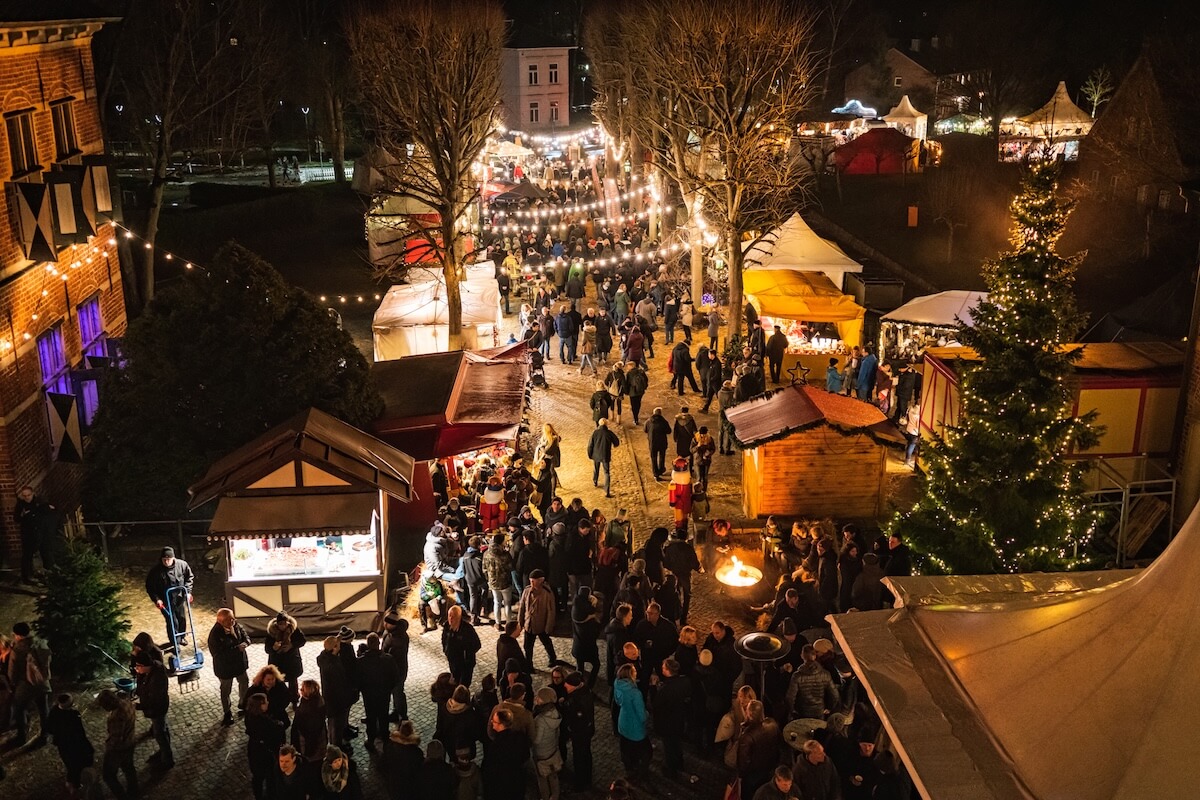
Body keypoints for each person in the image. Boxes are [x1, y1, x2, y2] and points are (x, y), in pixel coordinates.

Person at [144, 546, 194, 652]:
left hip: (180, 598)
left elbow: (189, 578)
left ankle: (182, 636)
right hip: (165, 600)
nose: (166, 562)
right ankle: (174, 642)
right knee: (172, 621)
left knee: (181, 618)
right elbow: (150, 587)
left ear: (173, 558)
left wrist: (188, 592)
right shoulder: (155, 572)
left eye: (168, 559)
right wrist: (157, 599)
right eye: (164, 560)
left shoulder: (182, 565)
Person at [358, 632, 400, 752]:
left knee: (371, 716)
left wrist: (363, 689)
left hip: (368, 695)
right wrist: (388, 688)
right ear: (378, 644)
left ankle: (371, 739)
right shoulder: (388, 659)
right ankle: (385, 738)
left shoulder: (361, 662)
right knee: (383, 715)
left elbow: (358, 679)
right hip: (383, 694)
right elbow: (395, 677)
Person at [209, 607, 252, 726]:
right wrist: (236, 649)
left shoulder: (236, 625)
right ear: (221, 621)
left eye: (233, 618)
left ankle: (243, 703)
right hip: (225, 668)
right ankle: (227, 713)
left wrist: (245, 643)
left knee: (244, 682)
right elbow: (217, 654)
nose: (233, 621)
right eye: (229, 620)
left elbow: (246, 636)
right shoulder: (215, 634)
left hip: (239, 664)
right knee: (225, 689)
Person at [45, 693, 94, 792]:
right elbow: (80, 732)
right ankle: (74, 783)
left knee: (68, 761)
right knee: (76, 764)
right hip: (74, 744)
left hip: (62, 743)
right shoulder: (74, 715)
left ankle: (71, 780)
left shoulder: (54, 711)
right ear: (69, 704)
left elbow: (49, 728)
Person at [133, 650, 174, 768]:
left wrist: (138, 706)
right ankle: (164, 753)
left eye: (138, 666)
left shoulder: (157, 677)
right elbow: (143, 687)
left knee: (160, 733)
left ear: (144, 666)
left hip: (158, 709)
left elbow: (154, 700)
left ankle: (167, 760)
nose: (136, 668)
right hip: (156, 708)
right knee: (163, 729)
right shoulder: (149, 672)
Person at [652, 657, 690, 779]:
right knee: (677, 744)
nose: (661, 669)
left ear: (668, 671)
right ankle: (679, 764)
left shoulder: (665, 689)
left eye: (663, 668)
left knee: (669, 747)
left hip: (667, 723)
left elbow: (656, 705)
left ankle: (671, 770)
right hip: (679, 719)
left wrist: (653, 688)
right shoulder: (684, 682)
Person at [97, 689, 137, 800]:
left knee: (108, 776)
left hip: (119, 749)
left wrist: (109, 749)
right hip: (130, 741)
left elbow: (116, 738)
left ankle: (123, 797)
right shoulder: (126, 702)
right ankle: (134, 791)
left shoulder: (116, 717)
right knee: (129, 768)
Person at [483, 708, 531, 800]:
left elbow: (490, 769)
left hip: (502, 785)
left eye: (495, 721)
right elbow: (525, 757)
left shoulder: (496, 745)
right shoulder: (520, 736)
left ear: (502, 725)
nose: (492, 722)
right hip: (517, 782)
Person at [246, 692, 287, 800]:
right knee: (270, 777)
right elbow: (275, 736)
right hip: (265, 754)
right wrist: (279, 725)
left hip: (254, 751)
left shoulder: (250, 716)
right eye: (265, 702)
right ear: (260, 705)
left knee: (257, 777)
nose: (268, 703)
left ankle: (258, 795)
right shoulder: (266, 723)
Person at [612, 663, 650, 779]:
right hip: (635, 728)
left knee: (626, 749)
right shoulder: (635, 693)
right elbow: (641, 715)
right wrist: (647, 714)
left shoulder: (617, 685)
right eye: (634, 671)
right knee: (646, 752)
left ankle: (629, 769)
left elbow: (618, 702)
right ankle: (641, 774)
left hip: (623, 722)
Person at [736, 700, 779, 798]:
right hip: (768, 769)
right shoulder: (772, 724)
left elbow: (743, 760)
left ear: (749, 714)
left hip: (752, 775)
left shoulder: (747, 736)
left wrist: (741, 775)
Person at [14, 485, 57, 582]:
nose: (27, 498)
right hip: (28, 534)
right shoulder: (20, 505)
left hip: (40, 532)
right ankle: (27, 576)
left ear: (32, 494)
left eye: (28, 495)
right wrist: (22, 515)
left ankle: (49, 574)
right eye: (24, 496)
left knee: (45, 552)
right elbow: (16, 519)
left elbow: (48, 511)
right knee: (27, 555)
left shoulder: (38, 502)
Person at [317, 637, 353, 750]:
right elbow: (339, 686)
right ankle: (336, 749)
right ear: (335, 648)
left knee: (334, 725)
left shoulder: (324, 658)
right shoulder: (333, 665)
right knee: (336, 727)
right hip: (336, 702)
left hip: (330, 699)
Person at [518, 569, 559, 668]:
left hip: (541, 625)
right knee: (527, 647)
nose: (531, 583)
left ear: (541, 580)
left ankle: (552, 658)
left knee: (547, 643)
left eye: (533, 581)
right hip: (529, 624)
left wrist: (548, 627)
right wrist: (520, 622)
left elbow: (551, 611)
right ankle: (528, 664)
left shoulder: (547, 594)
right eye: (530, 580)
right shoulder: (527, 591)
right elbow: (522, 607)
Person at [662, 530, 703, 625]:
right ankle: (683, 618)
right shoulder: (688, 548)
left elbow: (666, 562)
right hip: (685, 574)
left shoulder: (669, 548)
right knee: (687, 595)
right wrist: (699, 568)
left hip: (674, 574)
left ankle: (676, 613)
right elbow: (694, 562)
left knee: (676, 594)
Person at [265, 612, 306, 705]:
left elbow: (302, 641)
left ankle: (294, 699)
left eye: (284, 624)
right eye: (280, 624)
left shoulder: (294, 630)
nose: (282, 626)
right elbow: (267, 649)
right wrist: (274, 648)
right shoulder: (271, 632)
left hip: (291, 661)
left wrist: (292, 645)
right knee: (278, 683)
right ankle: (280, 700)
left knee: (293, 682)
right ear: (277, 624)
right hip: (277, 662)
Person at [531, 687, 563, 800]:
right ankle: (555, 796)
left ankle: (545, 797)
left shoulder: (540, 719)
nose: (536, 699)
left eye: (538, 697)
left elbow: (537, 740)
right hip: (553, 749)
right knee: (553, 775)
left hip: (541, 753)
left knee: (542, 777)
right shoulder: (554, 712)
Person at [442, 605, 482, 688]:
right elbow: (444, 640)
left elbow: (477, 644)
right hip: (453, 662)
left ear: (459, 617)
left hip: (465, 665)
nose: (450, 619)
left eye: (453, 616)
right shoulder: (446, 626)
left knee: (463, 686)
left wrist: (467, 654)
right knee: (454, 684)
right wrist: (446, 651)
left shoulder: (467, 629)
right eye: (449, 615)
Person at [291, 679, 328, 765]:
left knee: (312, 763)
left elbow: (309, 729)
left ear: (308, 692)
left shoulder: (311, 708)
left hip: (309, 742)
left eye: (302, 689)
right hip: (315, 740)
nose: (300, 690)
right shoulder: (316, 702)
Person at [381, 613, 410, 722]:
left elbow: (391, 658)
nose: (384, 624)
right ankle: (396, 712)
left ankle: (403, 716)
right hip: (395, 670)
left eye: (386, 622)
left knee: (398, 693)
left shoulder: (397, 639)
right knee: (396, 692)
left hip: (397, 671)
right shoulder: (391, 633)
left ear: (392, 624)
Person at [483, 533, 516, 630]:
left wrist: (488, 579)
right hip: (505, 583)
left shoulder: (486, 553)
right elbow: (511, 567)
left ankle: (498, 623)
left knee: (496, 602)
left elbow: (484, 569)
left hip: (493, 583)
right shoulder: (505, 555)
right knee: (507, 603)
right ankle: (509, 623)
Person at [384, 720, 424, 800]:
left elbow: (382, 766)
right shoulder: (416, 752)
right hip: (410, 786)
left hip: (395, 784)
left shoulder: (391, 748)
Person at [587, 419, 620, 498]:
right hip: (605, 455)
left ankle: (595, 481)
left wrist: (590, 454)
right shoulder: (609, 433)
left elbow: (590, 445)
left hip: (596, 454)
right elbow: (617, 442)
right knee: (606, 472)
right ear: (606, 425)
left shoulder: (595, 433)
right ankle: (607, 490)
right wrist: (614, 445)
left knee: (596, 468)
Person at [903, 403, 921, 467]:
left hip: (909, 430)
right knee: (911, 446)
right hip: (914, 433)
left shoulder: (910, 412)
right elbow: (917, 426)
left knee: (909, 445)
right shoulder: (918, 417)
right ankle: (907, 460)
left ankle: (906, 458)